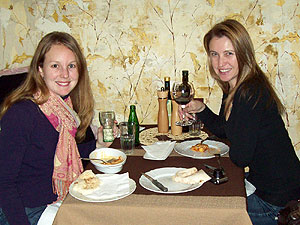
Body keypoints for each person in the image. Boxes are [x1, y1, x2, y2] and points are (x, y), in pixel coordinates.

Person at [181, 19, 300, 225]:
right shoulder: (235, 87)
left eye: (229, 53)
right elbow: (223, 130)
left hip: (276, 200)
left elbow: (240, 157)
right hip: (266, 185)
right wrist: (202, 109)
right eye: (214, 54)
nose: (220, 63)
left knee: (204, 215)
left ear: (243, 53)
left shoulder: (249, 92)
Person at [0, 32, 116, 225]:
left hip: (53, 203)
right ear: (40, 70)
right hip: (23, 212)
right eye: (55, 66)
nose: (65, 74)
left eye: (71, 66)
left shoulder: (64, 108)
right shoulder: (22, 113)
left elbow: (55, 155)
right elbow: (3, 182)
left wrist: (98, 144)